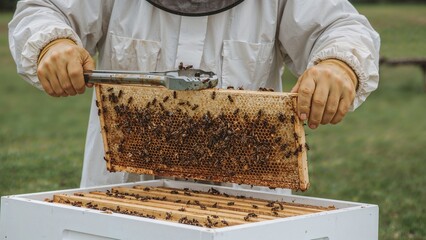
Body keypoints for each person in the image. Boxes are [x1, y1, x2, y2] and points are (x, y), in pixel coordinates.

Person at [9, 0, 380, 188]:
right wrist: (52, 42)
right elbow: (44, 8)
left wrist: (339, 64)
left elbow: (340, 25)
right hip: (120, 195)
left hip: (245, 203)